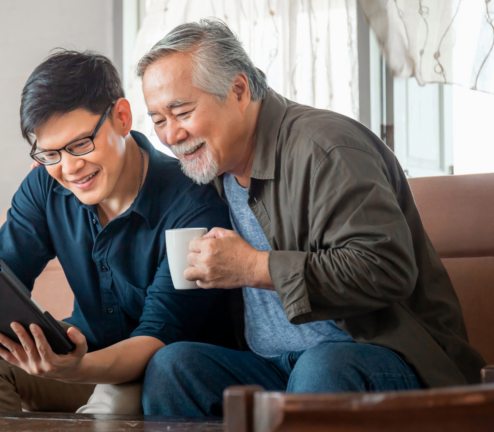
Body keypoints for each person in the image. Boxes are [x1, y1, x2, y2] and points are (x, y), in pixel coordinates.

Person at [135, 19, 486, 416]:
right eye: (158, 120)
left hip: (387, 359)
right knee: (172, 368)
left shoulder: (327, 148)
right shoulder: (213, 170)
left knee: (321, 368)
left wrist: (252, 266)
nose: (171, 135)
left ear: (237, 90)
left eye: (181, 111)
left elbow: (386, 267)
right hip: (275, 368)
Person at [0, 50, 234, 414]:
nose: (69, 168)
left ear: (122, 118)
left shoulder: (193, 204)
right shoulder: (45, 186)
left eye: (80, 144)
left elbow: (159, 336)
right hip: (80, 353)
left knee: (113, 403)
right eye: (50, 154)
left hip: (153, 369)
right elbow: (0, 279)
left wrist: (75, 368)